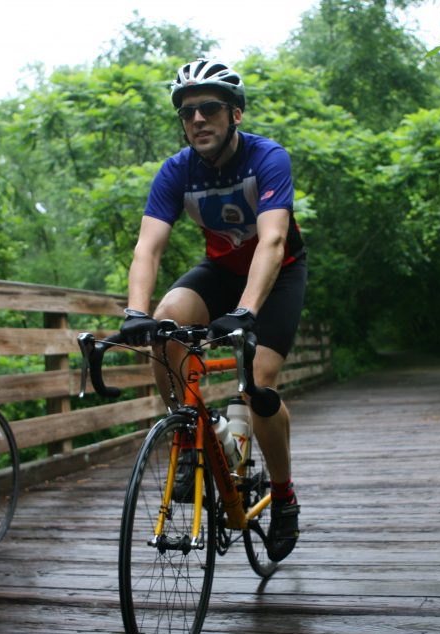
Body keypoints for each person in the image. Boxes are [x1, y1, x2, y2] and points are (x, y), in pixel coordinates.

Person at [120, 58, 308, 562]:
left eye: (209, 109)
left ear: (236, 115)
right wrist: (135, 312)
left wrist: (247, 312)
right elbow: (148, 248)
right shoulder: (177, 171)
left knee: (259, 383)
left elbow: (271, 241)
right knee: (164, 325)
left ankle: (284, 497)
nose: (197, 119)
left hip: (276, 273)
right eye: (187, 113)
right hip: (221, 271)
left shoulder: (267, 158)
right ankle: (191, 436)